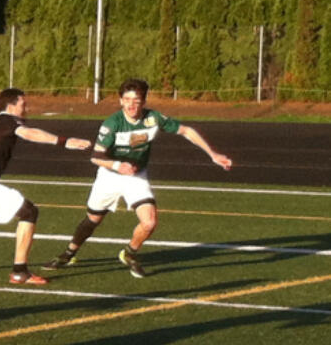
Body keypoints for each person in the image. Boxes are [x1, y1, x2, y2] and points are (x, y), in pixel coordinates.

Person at [43, 78, 232, 278]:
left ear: (143, 101)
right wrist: (118, 165)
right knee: (93, 219)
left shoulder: (153, 118)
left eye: (136, 100)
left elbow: (186, 131)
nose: (131, 105)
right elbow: (96, 157)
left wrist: (212, 154)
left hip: (136, 176)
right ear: (120, 101)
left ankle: (129, 253)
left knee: (149, 222)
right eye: (127, 100)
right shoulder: (112, 123)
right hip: (109, 176)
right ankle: (69, 252)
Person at [0, 88, 91, 286]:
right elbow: (30, 134)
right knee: (28, 212)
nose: (27, 107)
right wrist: (65, 142)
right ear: (11, 105)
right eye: (23, 104)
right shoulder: (7, 121)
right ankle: (19, 272)